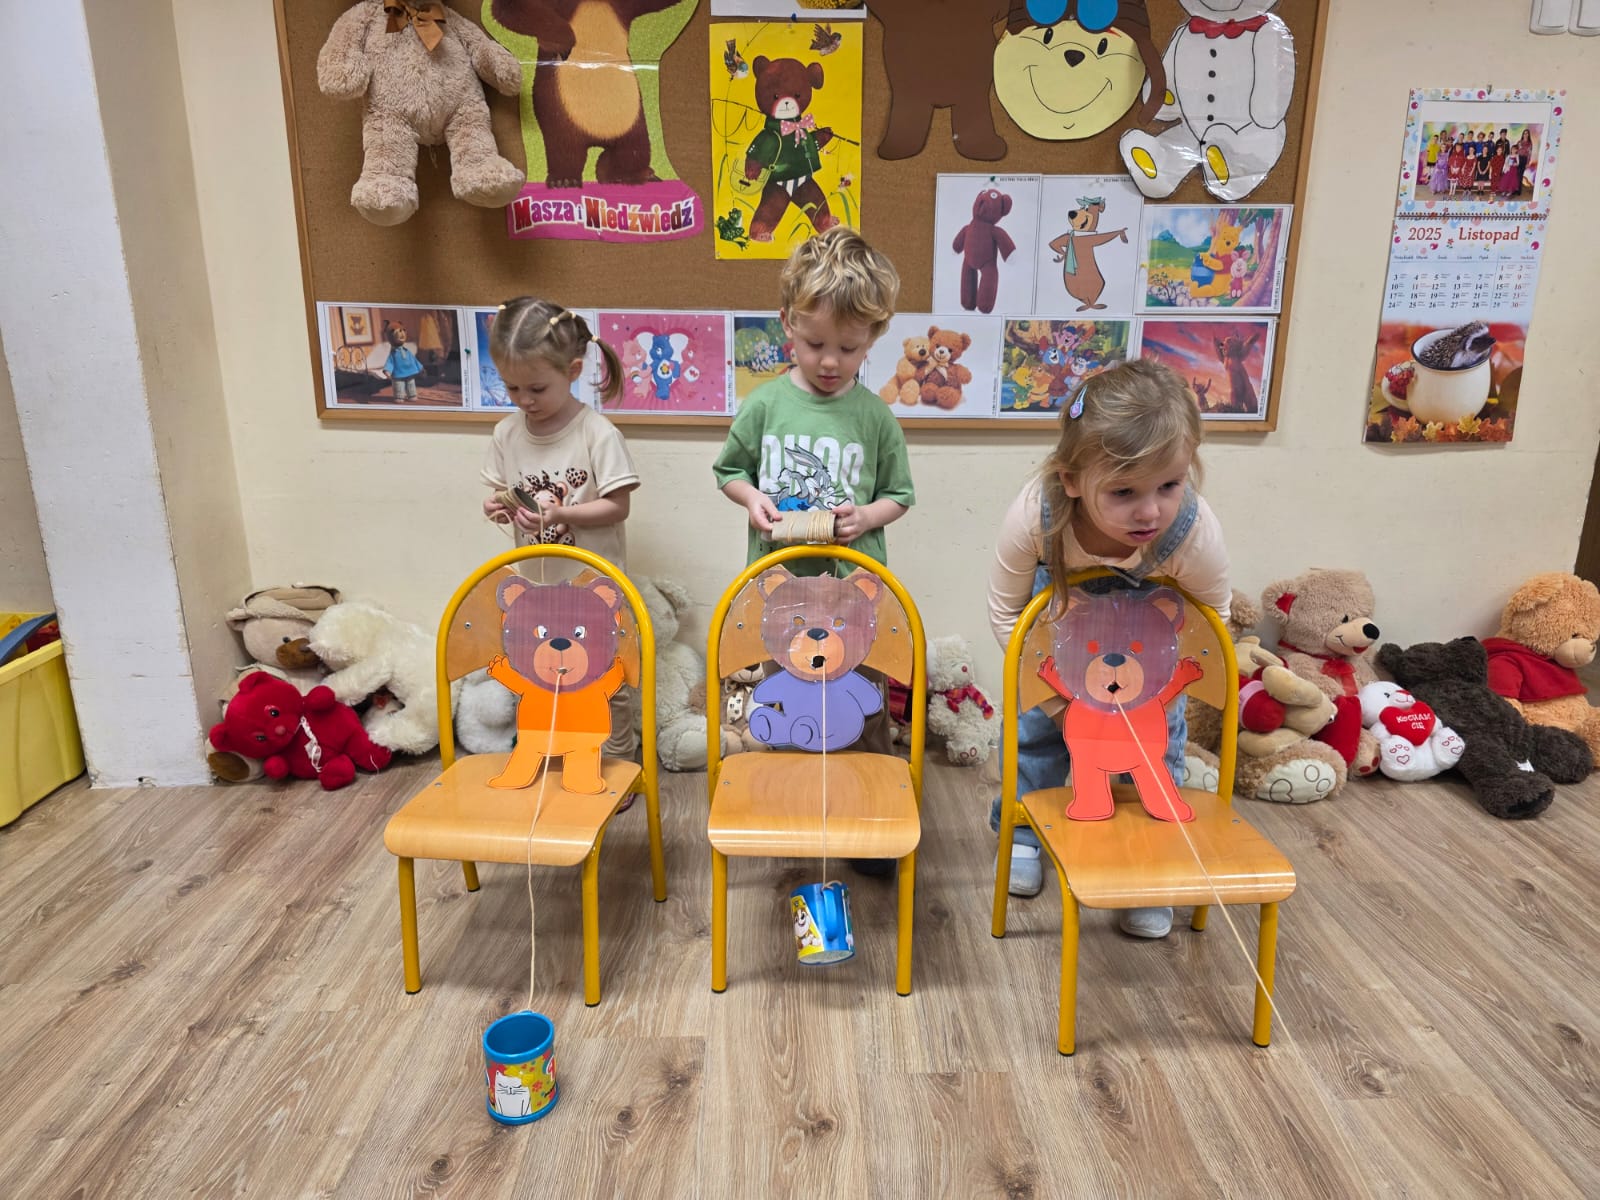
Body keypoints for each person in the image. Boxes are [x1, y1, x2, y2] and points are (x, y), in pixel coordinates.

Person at [985, 359, 1231, 939]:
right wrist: (1058, 703)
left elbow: (1211, 625)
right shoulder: (1036, 515)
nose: (1150, 511)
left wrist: (1162, 696)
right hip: (1058, 639)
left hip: (1151, 656)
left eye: (1169, 486)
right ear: (1071, 479)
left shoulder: (1192, 532)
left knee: (1156, 752)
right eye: (1124, 492)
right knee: (1035, 739)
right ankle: (1024, 834)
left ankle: (1150, 864)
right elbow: (1006, 615)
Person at [712, 225, 915, 874]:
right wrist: (752, 500)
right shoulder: (765, 405)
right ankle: (795, 810)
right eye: (815, 344)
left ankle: (870, 820)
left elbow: (899, 495)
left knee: (864, 706)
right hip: (782, 596)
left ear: (873, 338)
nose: (830, 361)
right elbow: (729, 472)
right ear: (787, 324)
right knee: (784, 700)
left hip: (855, 598)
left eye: (848, 349)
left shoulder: (874, 416)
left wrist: (867, 517)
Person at [480, 297, 642, 762]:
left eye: (536, 388)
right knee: (541, 673)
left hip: (592, 588)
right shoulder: (507, 433)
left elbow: (618, 506)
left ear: (573, 371)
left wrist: (562, 515)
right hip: (535, 589)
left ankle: (617, 759)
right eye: (511, 387)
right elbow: (499, 497)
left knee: (605, 676)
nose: (523, 400)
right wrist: (498, 507)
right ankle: (560, 750)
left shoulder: (596, 433)